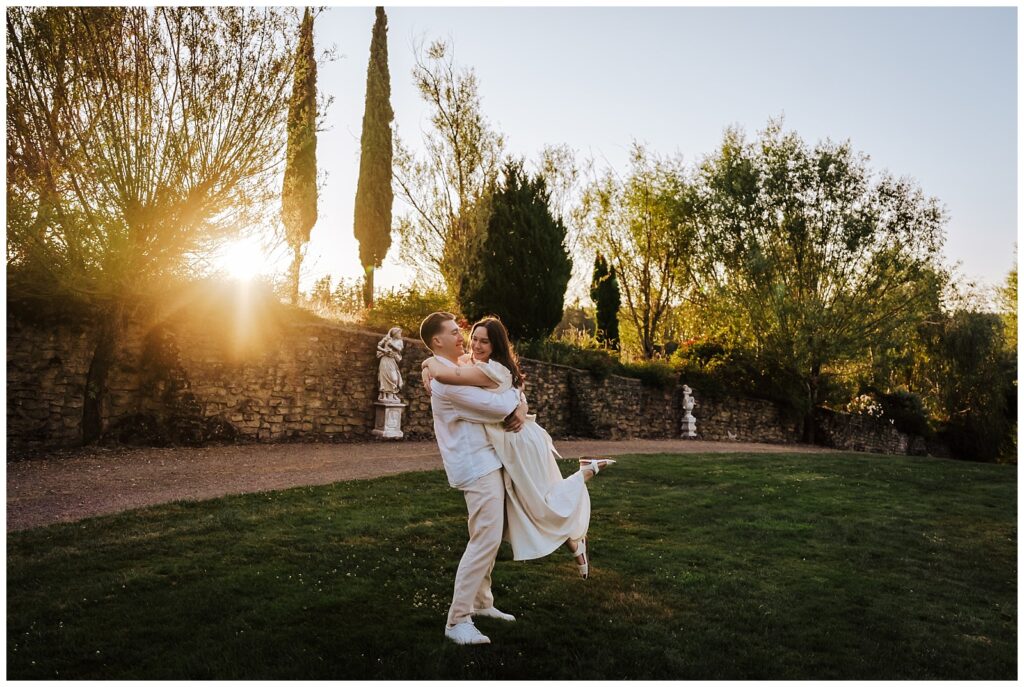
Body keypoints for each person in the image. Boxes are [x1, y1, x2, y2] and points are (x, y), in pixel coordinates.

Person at [421, 316, 615, 580]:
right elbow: (512, 388)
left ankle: (584, 475)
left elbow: (445, 372)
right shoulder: (474, 363)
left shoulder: (490, 370)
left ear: (496, 345)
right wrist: (427, 365)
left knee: (538, 502)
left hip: (518, 441)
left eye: (484, 341)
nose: (475, 345)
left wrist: (429, 362)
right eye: (473, 339)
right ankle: (575, 537)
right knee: (526, 504)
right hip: (507, 443)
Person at [419, 311, 527, 646]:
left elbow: (507, 389)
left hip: (485, 461)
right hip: (474, 466)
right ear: (437, 341)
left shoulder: (457, 369)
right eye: (453, 332)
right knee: (484, 540)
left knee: (487, 537)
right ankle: (458, 620)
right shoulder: (446, 382)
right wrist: (516, 400)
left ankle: (482, 603)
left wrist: (520, 402)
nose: (461, 336)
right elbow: (497, 407)